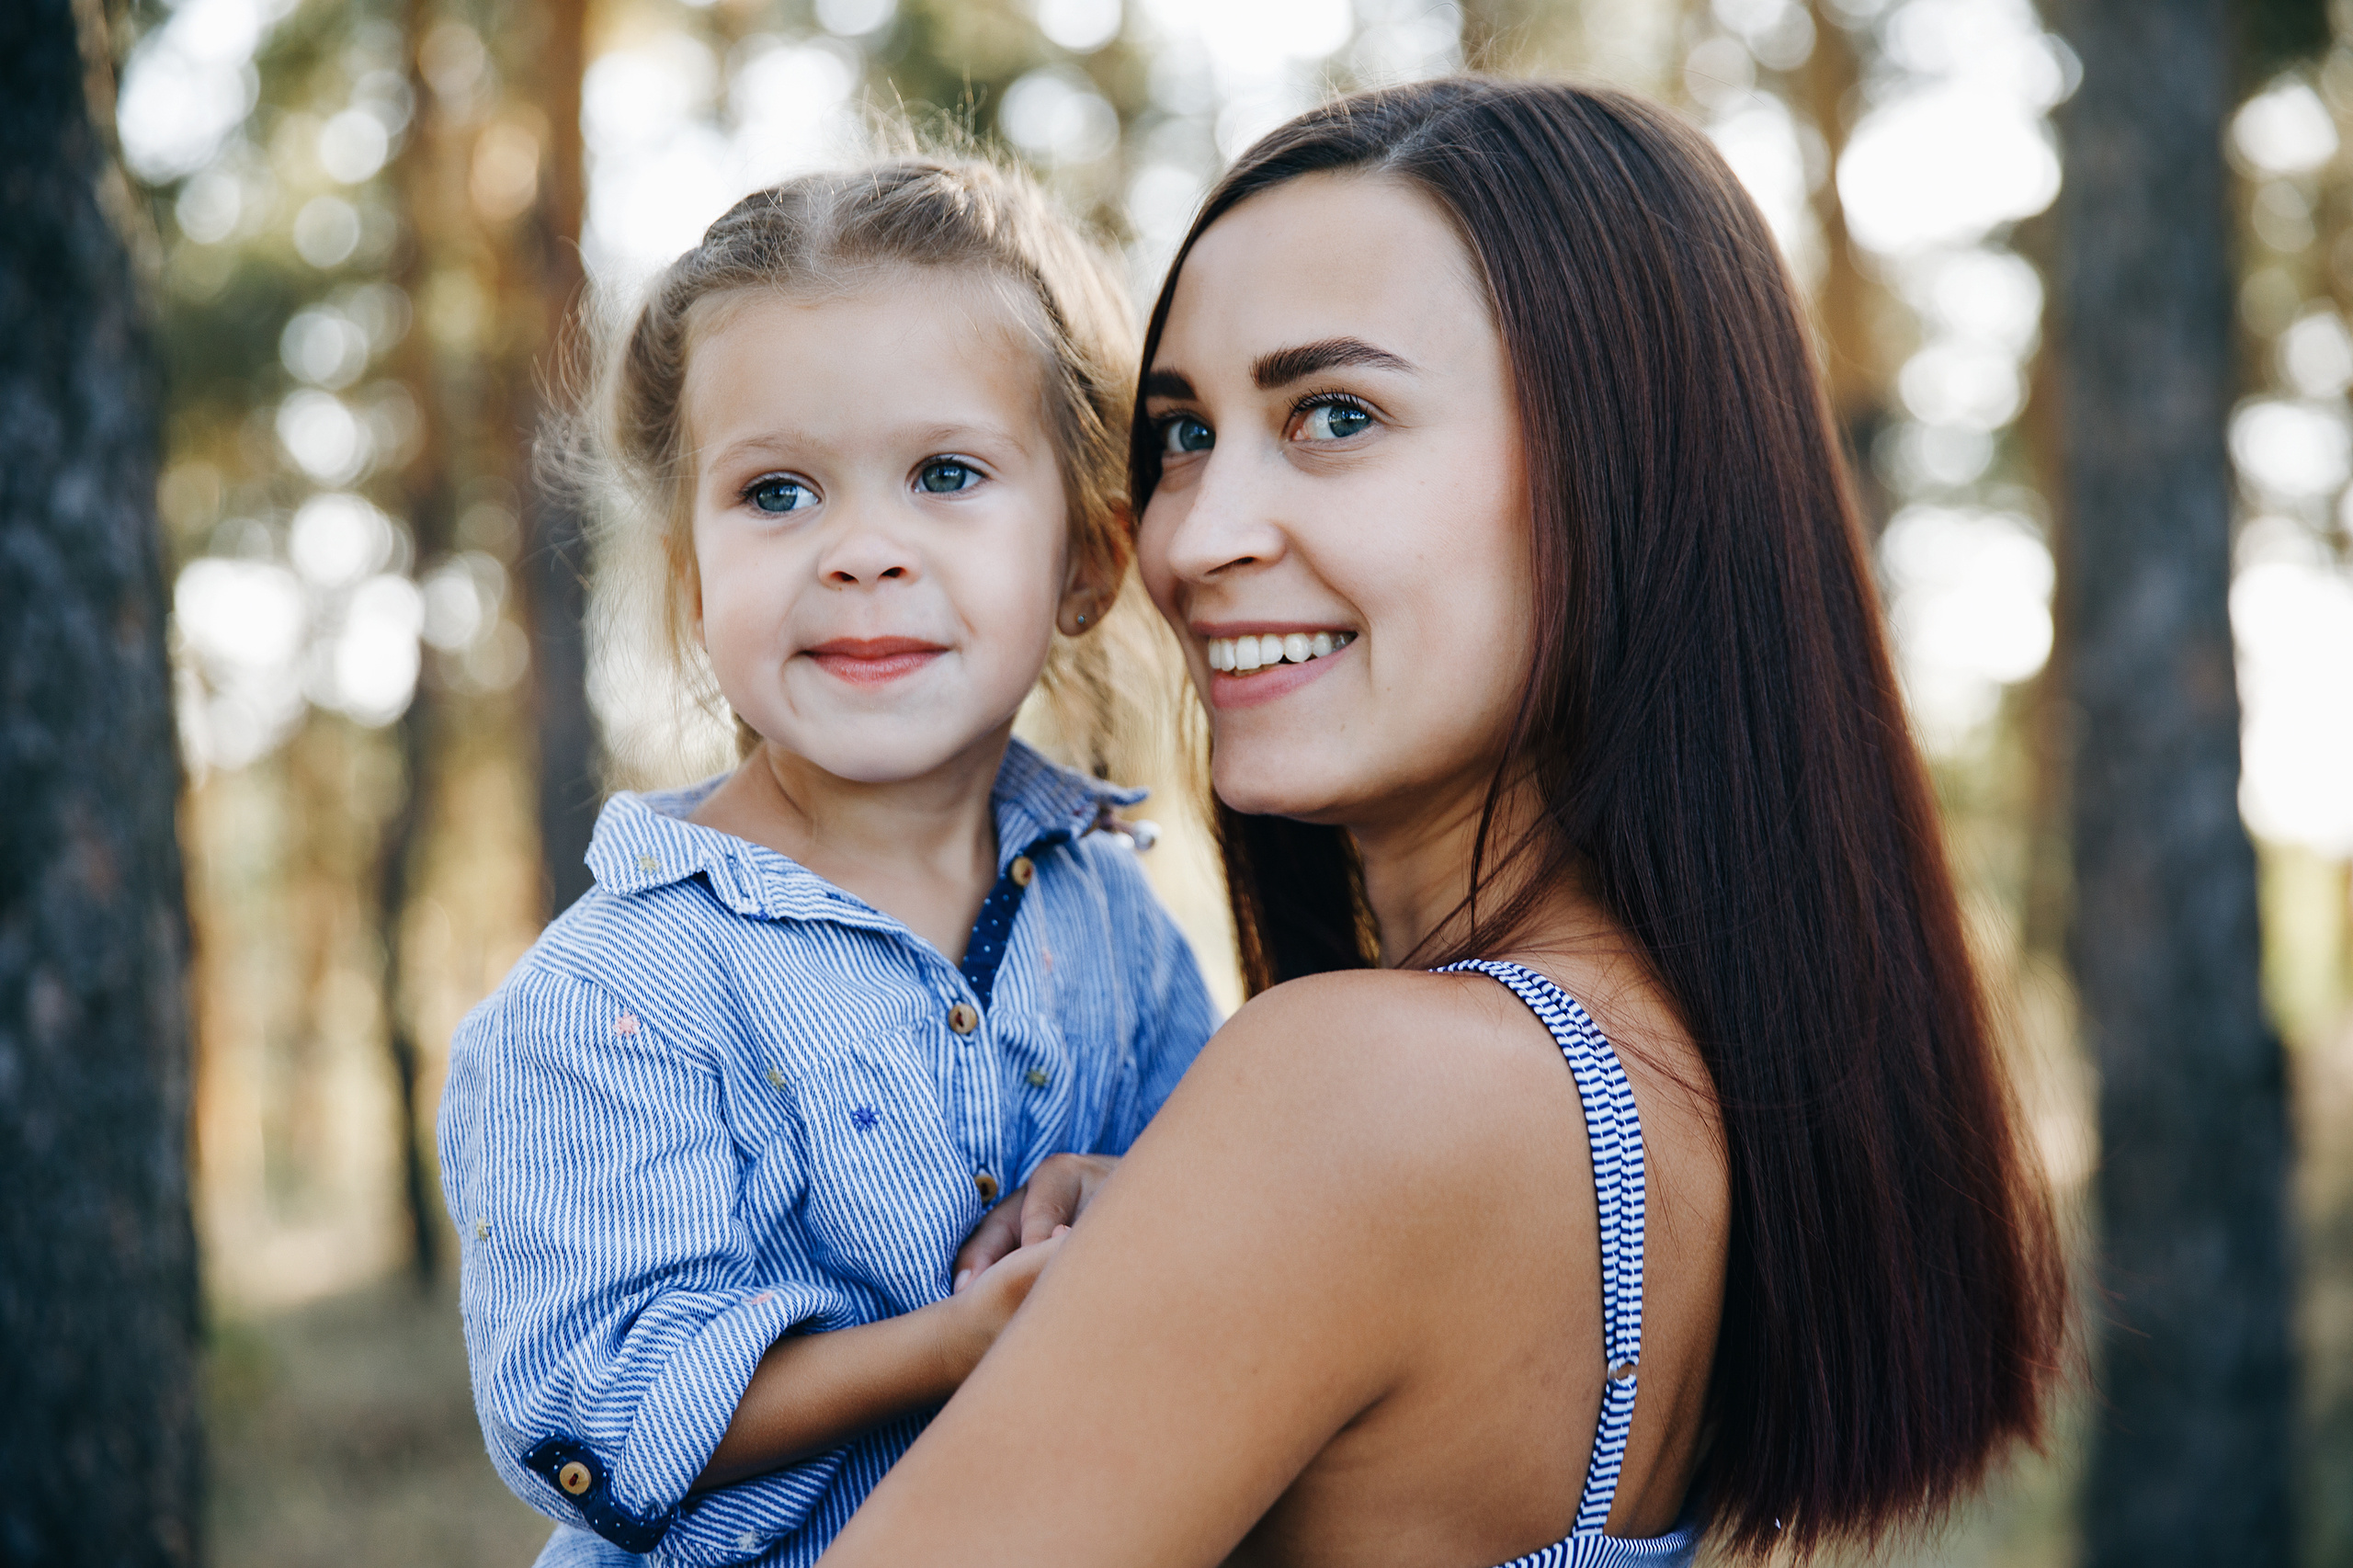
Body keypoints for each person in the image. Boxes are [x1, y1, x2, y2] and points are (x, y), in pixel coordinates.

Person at [819, 78, 2067, 1567]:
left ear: (1624, 473)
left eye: (1335, 416)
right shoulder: (1665, 1084)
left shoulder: (1364, 1092)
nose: (1197, 537)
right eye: (1182, 433)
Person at [437, 155, 1217, 1567]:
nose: (862, 549)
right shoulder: (621, 990)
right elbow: (592, 1416)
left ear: (1089, 564)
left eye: (946, 474)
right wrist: (954, 1341)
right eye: (779, 492)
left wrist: (1121, 1191)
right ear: (691, 581)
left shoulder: (1112, 917)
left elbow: (1215, 1211)